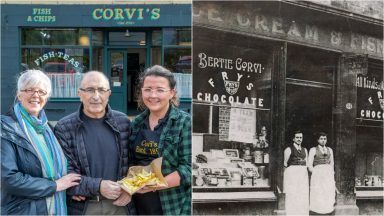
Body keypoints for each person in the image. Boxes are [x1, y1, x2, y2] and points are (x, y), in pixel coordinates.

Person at [53, 71, 135, 215]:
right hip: (85, 207)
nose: (96, 96)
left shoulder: (123, 122)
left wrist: (130, 188)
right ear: (79, 93)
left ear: (109, 93)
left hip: (122, 205)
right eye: (90, 90)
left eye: (102, 90)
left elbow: (134, 162)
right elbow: (64, 171)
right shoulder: (64, 127)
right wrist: (98, 186)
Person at [1, 70, 81, 215]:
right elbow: (8, 179)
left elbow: (59, 170)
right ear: (19, 95)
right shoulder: (5, 128)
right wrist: (55, 186)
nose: (36, 95)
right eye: (30, 90)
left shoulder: (47, 129)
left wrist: (69, 189)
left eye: (41, 92)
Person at [129, 65, 191, 215]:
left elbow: (189, 168)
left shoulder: (185, 123)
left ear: (172, 93)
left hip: (172, 205)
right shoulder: (136, 123)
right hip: (138, 206)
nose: (153, 95)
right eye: (148, 89)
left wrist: (155, 184)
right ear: (141, 92)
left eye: (160, 90)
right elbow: (130, 160)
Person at [308, 132, 336, 214]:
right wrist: (316, 173)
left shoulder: (330, 150)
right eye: (321, 139)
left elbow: (332, 163)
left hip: (327, 174)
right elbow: (309, 165)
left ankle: (327, 210)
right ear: (318, 140)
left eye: (325, 139)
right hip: (318, 174)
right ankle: (318, 211)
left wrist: (330, 173)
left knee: (327, 191)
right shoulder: (313, 150)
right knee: (319, 191)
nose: (323, 141)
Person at [283, 130, 309, 215]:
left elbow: (306, 162)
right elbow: (285, 164)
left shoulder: (305, 150)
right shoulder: (288, 149)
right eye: (297, 137)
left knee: (302, 194)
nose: (299, 139)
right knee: (293, 194)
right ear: (293, 139)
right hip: (292, 175)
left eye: (301, 137)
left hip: (302, 175)